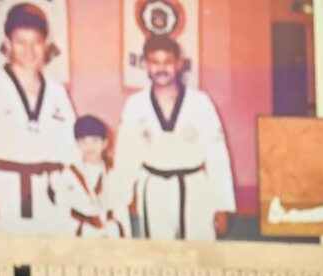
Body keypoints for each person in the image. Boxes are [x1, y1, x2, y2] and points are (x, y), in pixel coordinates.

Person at [0, 3, 78, 234]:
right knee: (10, 254)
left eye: (36, 42)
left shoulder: (57, 92)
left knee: (50, 254)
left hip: (52, 192)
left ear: (46, 44)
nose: (29, 50)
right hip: (5, 191)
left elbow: (71, 147)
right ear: (8, 44)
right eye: (21, 42)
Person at [118, 33, 235, 241]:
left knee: (200, 252)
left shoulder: (200, 103)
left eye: (168, 62)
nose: (161, 68)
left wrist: (222, 204)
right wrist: (120, 201)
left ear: (179, 64)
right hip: (153, 188)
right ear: (145, 65)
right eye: (155, 62)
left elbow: (217, 155)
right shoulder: (135, 105)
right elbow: (125, 156)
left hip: (194, 187)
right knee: (158, 253)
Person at [62, 114, 129, 237]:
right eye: (83, 141)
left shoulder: (113, 173)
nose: (89, 147)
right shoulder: (69, 174)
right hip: (81, 231)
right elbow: (65, 211)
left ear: (105, 143)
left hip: (110, 231)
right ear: (76, 144)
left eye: (94, 141)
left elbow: (121, 210)